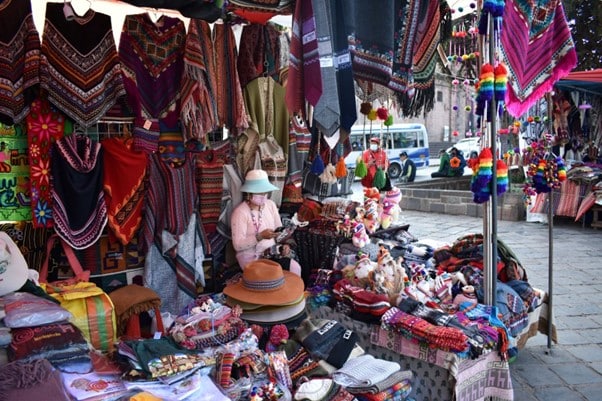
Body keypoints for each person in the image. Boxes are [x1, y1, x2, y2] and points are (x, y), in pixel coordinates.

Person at [231, 169, 302, 276]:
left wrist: (285, 244)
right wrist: (260, 237)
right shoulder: (240, 212)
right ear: (249, 193)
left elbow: (279, 229)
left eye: (265, 192)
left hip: (271, 253)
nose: (263, 195)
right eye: (259, 192)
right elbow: (238, 245)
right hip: (251, 258)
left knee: (294, 267)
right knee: (272, 275)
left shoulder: (270, 205)